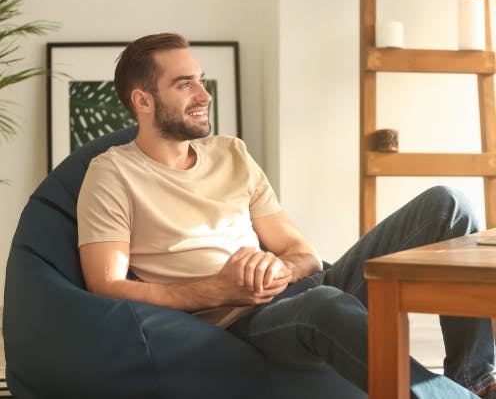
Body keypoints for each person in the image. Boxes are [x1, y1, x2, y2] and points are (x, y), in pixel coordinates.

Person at [77, 32, 496, 399]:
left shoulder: (231, 153)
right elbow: (106, 285)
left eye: (202, 81)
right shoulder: (112, 172)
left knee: (449, 203)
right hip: (242, 320)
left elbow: (303, 254)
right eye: (185, 84)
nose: (204, 95)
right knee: (325, 305)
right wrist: (217, 290)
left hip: (300, 288)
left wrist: (276, 267)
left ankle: (475, 378)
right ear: (143, 100)